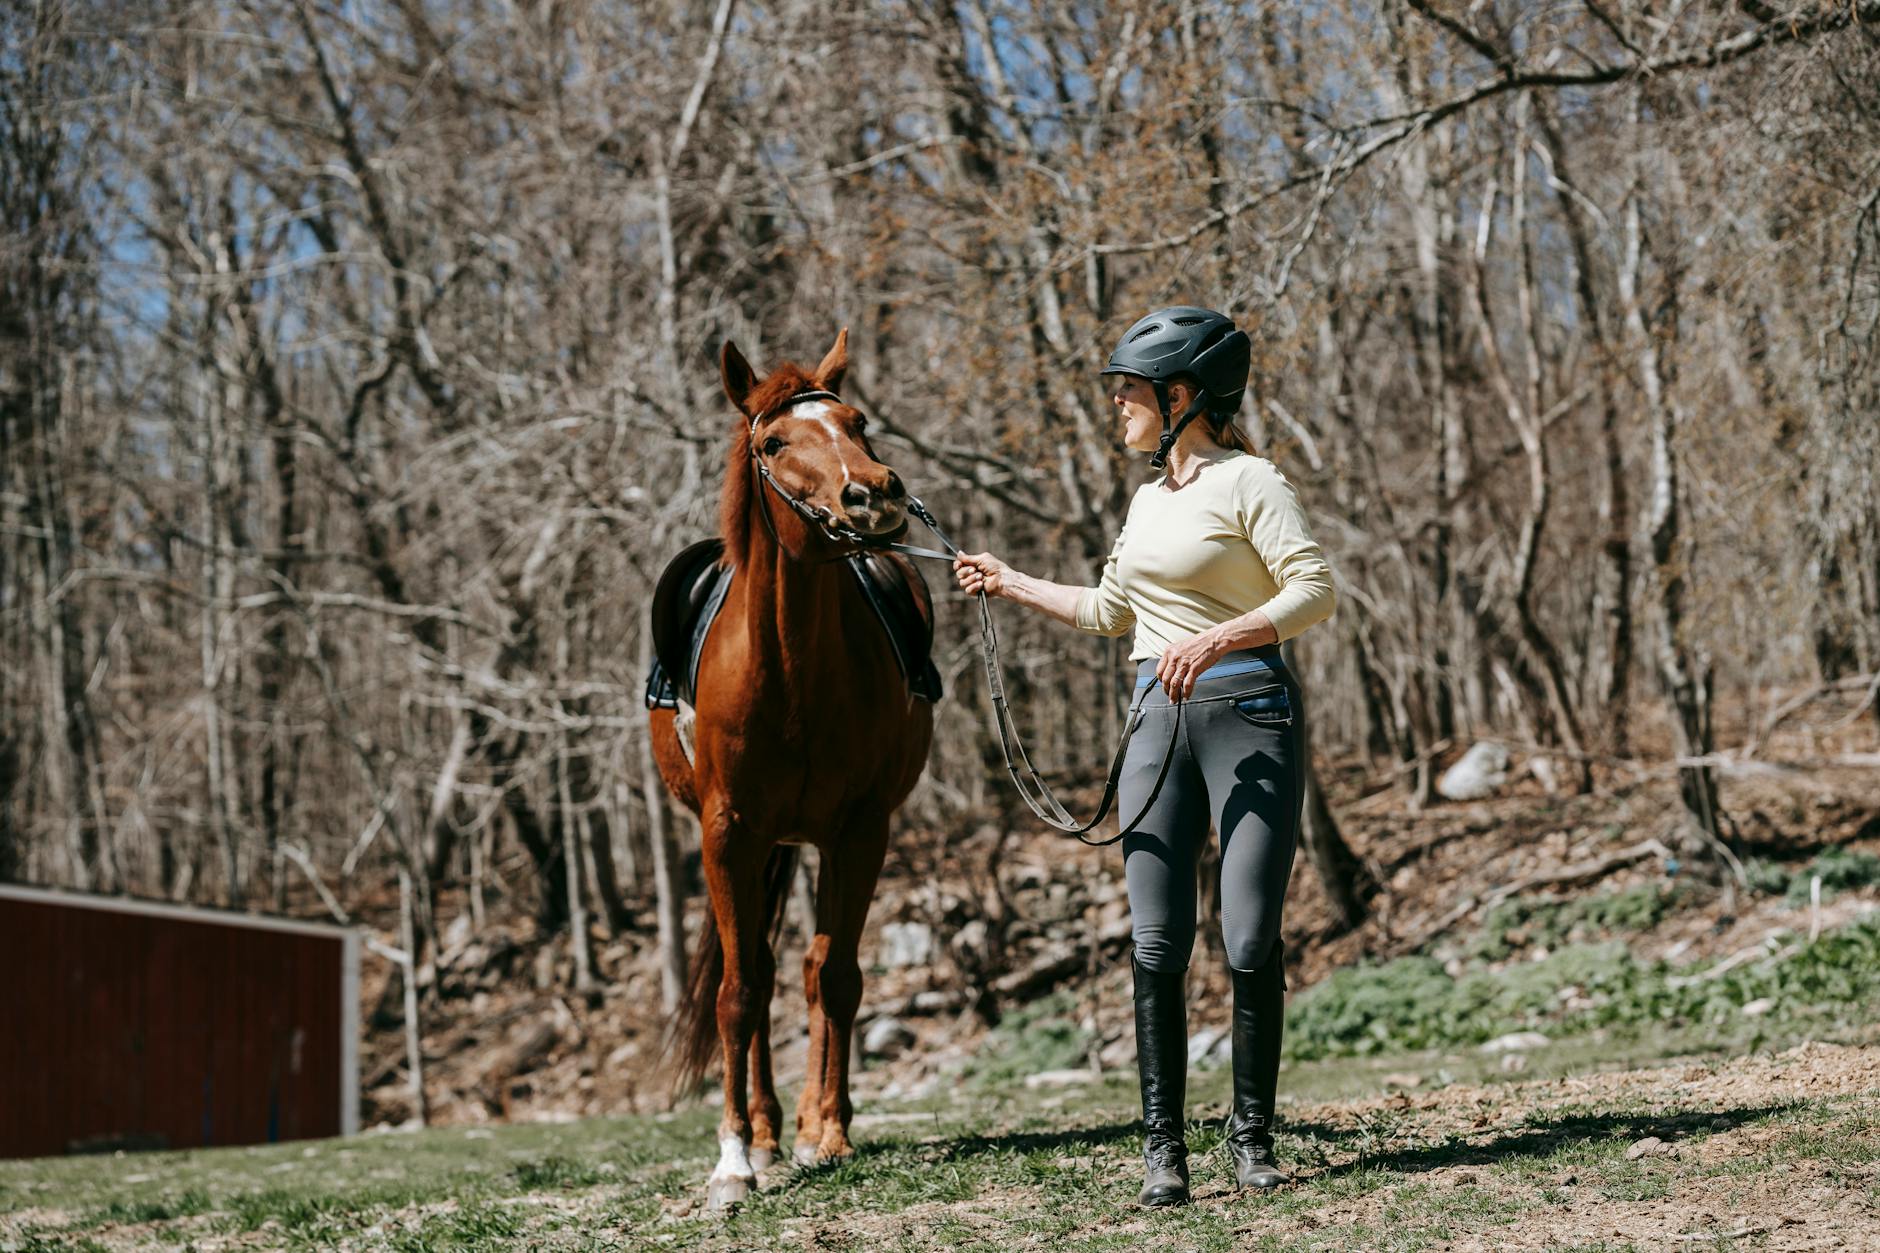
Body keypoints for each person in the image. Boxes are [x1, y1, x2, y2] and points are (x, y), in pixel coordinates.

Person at [954, 306, 1336, 1206]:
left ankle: (1252, 1139)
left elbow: (1315, 588)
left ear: (1180, 396)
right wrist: (1007, 581)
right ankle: (1165, 1149)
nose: (1116, 408)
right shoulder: (1144, 500)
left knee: (1247, 938)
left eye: (1128, 392)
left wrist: (1221, 636)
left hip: (1251, 715)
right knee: (1158, 941)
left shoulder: (1251, 481)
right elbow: (1107, 611)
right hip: (1155, 724)